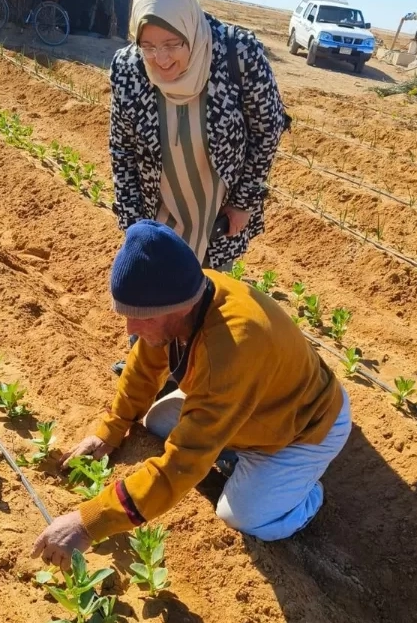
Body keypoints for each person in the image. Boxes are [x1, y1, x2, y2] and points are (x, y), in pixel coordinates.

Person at [32, 221, 352, 570]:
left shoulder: (231, 347)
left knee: (241, 515)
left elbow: (182, 465)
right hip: (249, 409)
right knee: (156, 421)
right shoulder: (184, 295)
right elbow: (143, 366)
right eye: (127, 316)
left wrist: (87, 522)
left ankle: (303, 494)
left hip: (300, 429)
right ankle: (235, 457)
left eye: (140, 319)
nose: (130, 329)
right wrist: (111, 427)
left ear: (178, 308)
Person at [109, 0, 287, 374]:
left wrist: (243, 202)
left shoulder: (237, 53)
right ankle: (146, 369)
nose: (162, 59)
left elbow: (268, 128)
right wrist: (135, 224)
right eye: (149, 46)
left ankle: (192, 375)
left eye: (173, 44)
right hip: (159, 205)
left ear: (192, 28)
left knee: (203, 294)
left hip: (216, 211)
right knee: (152, 293)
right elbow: (120, 147)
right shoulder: (127, 68)